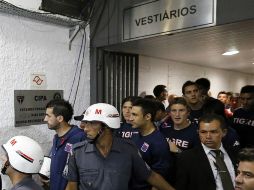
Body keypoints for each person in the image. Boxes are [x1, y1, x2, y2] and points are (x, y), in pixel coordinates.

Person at [64, 103, 175, 190]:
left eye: (91, 123)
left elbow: (150, 176)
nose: (85, 128)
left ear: (107, 126)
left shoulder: (129, 149)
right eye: (85, 123)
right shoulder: (76, 152)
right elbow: (71, 185)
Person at [175, 113, 238, 190]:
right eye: (203, 132)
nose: (208, 136)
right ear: (198, 132)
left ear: (224, 132)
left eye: (213, 132)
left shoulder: (235, 153)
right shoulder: (187, 158)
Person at [130, 99, 174, 187]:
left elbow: (160, 178)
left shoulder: (158, 143)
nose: (130, 118)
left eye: (134, 115)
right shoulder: (135, 135)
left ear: (147, 117)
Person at [44, 99, 85, 190]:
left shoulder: (79, 138)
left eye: (48, 116)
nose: (45, 119)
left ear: (60, 118)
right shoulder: (56, 138)